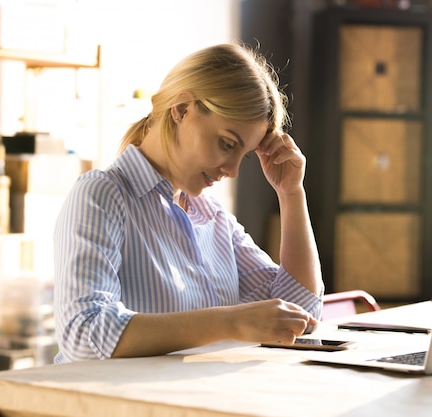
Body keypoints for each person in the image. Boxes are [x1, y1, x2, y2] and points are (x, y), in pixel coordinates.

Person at [53, 43, 324, 363]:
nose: (233, 171)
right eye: (227, 144)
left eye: (244, 155)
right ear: (182, 108)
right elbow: (84, 334)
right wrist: (230, 322)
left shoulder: (213, 218)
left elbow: (300, 314)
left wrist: (291, 194)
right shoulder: (102, 195)